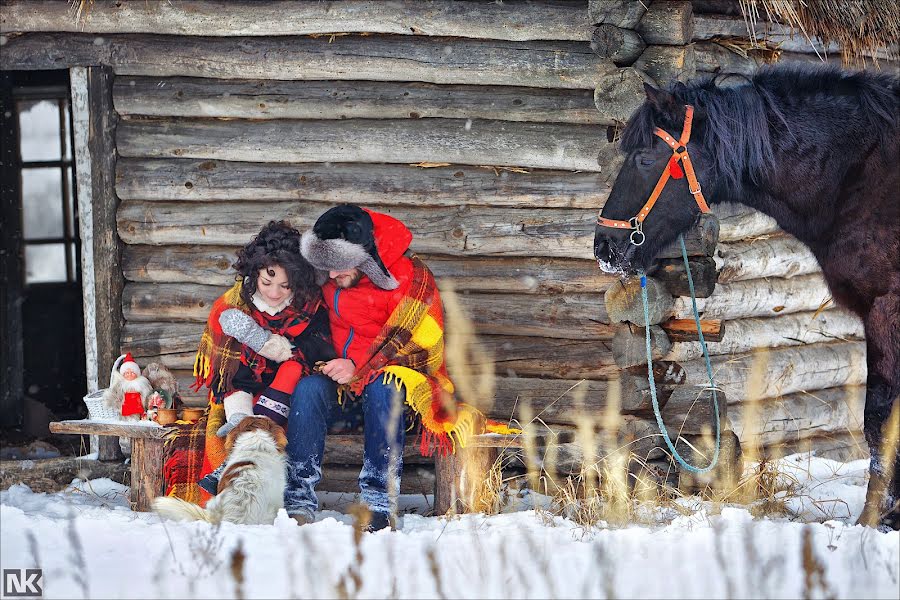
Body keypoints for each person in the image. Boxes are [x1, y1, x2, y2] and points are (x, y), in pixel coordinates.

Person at [289, 204, 481, 531]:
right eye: (327, 268)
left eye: (339, 266)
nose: (332, 276)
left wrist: (358, 368)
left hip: (397, 402)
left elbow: (423, 348)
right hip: (345, 389)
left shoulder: (409, 280)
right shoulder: (328, 277)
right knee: (307, 388)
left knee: (384, 386)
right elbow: (293, 309)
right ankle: (297, 498)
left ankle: (379, 501)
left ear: (365, 257)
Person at [190, 220, 334, 496]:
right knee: (244, 368)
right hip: (247, 391)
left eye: (284, 286)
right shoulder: (236, 304)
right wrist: (259, 341)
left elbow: (319, 351)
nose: (273, 293)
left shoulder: (311, 306)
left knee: (293, 367)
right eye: (267, 282)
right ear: (255, 273)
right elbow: (227, 369)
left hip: (291, 394)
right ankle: (242, 448)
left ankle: (236, 460)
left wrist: (278, 347)